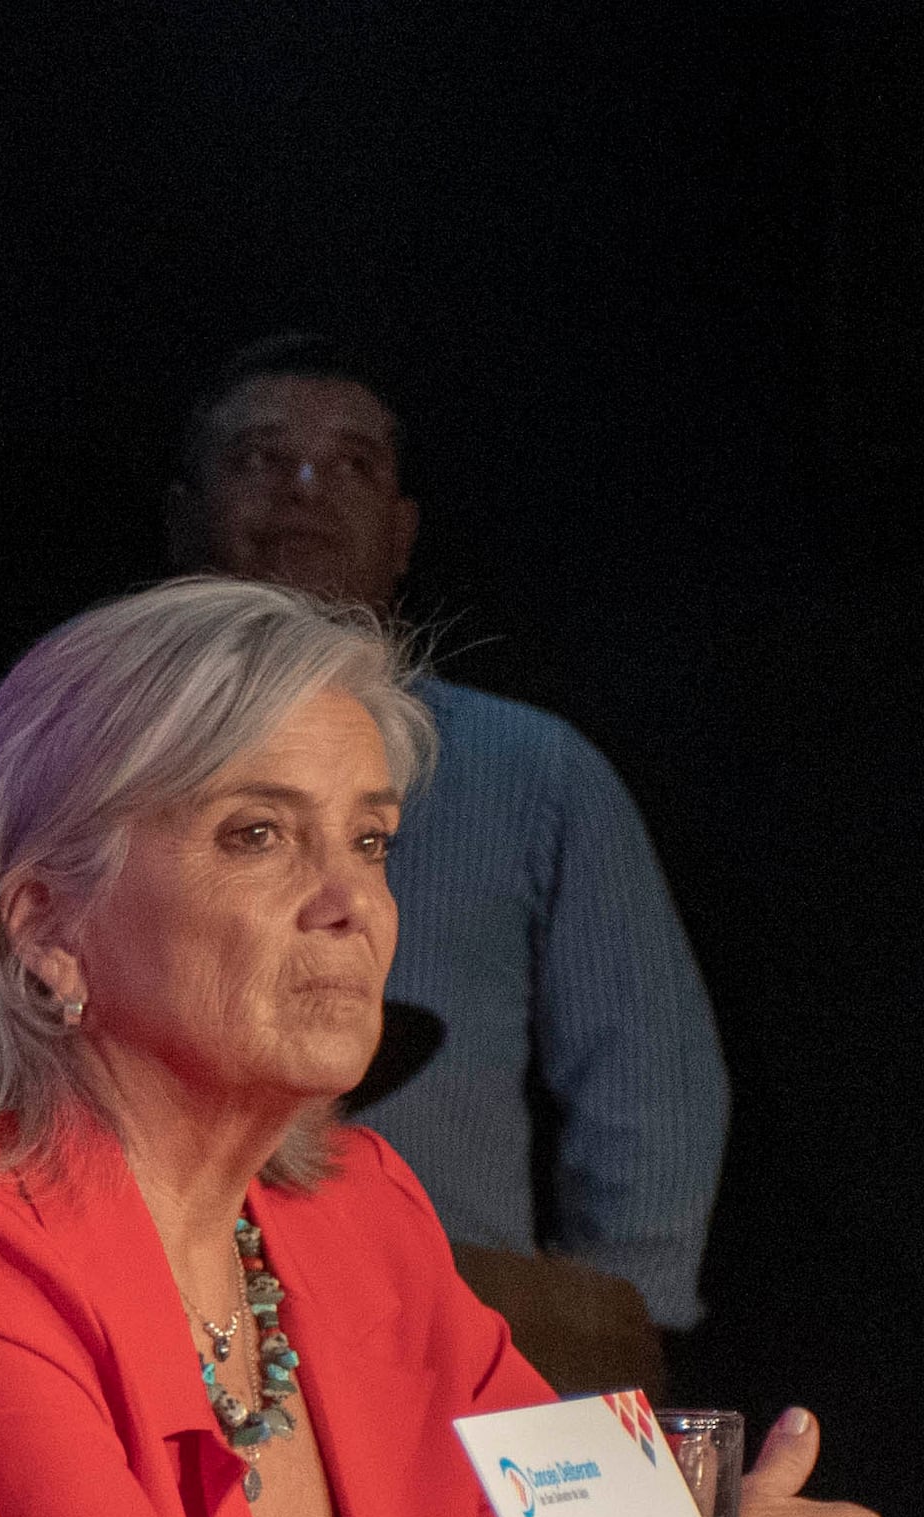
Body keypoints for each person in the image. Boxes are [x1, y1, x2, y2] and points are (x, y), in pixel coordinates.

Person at [0, 575, 919, 1517]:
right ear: (49, 929)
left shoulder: (356, 1209)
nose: (350, 901)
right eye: (256, 834)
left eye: (370, 840)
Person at [167, 332, 730, 1335]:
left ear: (399, 531)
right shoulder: (98, 759)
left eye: (348, 464)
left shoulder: (527, 770)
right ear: (185, 511)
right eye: (257, 457)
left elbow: (650, 1084)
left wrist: (598, 1328)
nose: (300, 488)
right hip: (160, 1297)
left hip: (453, 1321)